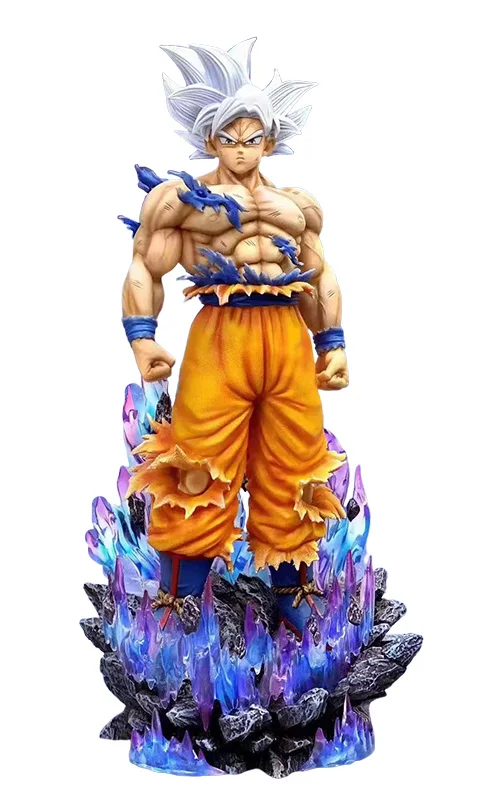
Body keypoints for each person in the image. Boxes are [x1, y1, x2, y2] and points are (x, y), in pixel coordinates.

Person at [122, 40, 349, 637]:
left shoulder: (297, 206)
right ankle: (178, 599)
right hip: (221, 334)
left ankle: (293, 588)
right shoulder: (179, 200)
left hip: (286, 337)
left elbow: (318, 272)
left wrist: (332, 342)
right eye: (230, 137)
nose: (242, 148)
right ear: (210, 139)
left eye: (253, 137)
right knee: (196, 462)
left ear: (269, 141)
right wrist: (143, 337)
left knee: (296, 462)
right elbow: (146, 263)